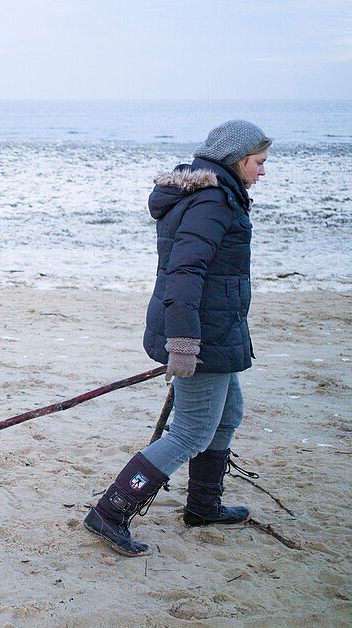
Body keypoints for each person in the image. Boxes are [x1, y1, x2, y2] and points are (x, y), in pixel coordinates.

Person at [83, 120, 272, 557]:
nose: (263, 172)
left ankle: (203, 506)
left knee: (227, 415)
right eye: (259, 163)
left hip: (216, 327)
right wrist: (184, 345)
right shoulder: (212, 203)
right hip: (200, 332)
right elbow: (185, 274)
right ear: (237, 159)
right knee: (190, 432)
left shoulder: (214, 195)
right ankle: (110, 512)